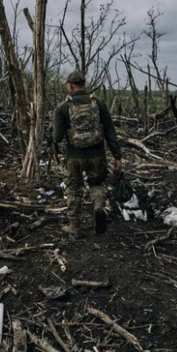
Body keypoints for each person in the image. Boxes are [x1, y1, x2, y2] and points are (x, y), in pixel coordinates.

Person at [52, 70, 122, 237]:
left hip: (74, 157)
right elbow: (110, 132)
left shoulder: (62, 108)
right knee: (97, 183)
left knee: (74, 189)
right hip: (97, 154)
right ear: (84, 84)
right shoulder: (99, 103)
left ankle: (74, 225)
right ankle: (98, 207)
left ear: (70, 85)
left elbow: (57, 137)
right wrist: (117, 156)